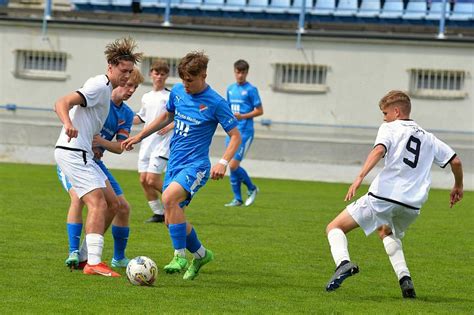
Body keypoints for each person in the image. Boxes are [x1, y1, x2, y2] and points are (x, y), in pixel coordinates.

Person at [324, 90, 464, 298]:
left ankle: (343, 263)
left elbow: (379, 150)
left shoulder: (390, 127)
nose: (383, 118)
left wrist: (360, 177)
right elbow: (456, 161)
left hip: (384, 197)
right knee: (386, 232)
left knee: (334, 227)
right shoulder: (429, 137)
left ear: (396, 112)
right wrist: (458, 186)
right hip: (412, 205)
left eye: (385, 113)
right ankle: (405, 280)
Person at [122, 51, 241, 280]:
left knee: (168, 199)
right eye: (183, 79)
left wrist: (223, 162)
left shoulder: (216, 103)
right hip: (174, 163)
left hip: (196, 165)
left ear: (203, 75)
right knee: (172, 220)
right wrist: (140, 136)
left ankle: (179, 255)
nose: (185, 85)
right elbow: (167, 116)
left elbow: (235, 136)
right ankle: (202, 255)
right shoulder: (177, 91)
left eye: (190, 80)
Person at [54, 37, 142, 277]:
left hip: (86, 156)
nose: (126, 76)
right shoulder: (99, 85)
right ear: (110, 67)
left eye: (130, 72)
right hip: (73, 152)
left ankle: (83, 257)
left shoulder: (110, 93)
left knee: (114, 204)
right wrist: (68, 123)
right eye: (123, 71)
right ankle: (93, 261)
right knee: (97, 203)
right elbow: (62, 102)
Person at [133, 60, 173, 223]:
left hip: (162, 144)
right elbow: (140, 118)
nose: (159, 76)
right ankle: (159, 213)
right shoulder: (146, 96)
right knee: (143, 180)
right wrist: (121, 117)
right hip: (146, 143)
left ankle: (177, 198)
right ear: (151, 74)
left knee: (152, 180)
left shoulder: (170, 96)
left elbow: (180, 117)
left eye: (163, 74)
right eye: (156, 73)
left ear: (166, 76)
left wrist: (170, 126)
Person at [224, 59, 263, 207]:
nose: (240, 75)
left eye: (243, 72)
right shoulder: (230, 89)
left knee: (234, 165)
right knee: (230, 166)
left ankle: (252, 188)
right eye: (237, 72)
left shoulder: (251, 90)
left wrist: (243, 116)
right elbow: (227, 109)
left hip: (245, 132)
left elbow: (260, 111)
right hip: (232, 132)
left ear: (247, 73)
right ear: (234, 72)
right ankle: (237, 199)